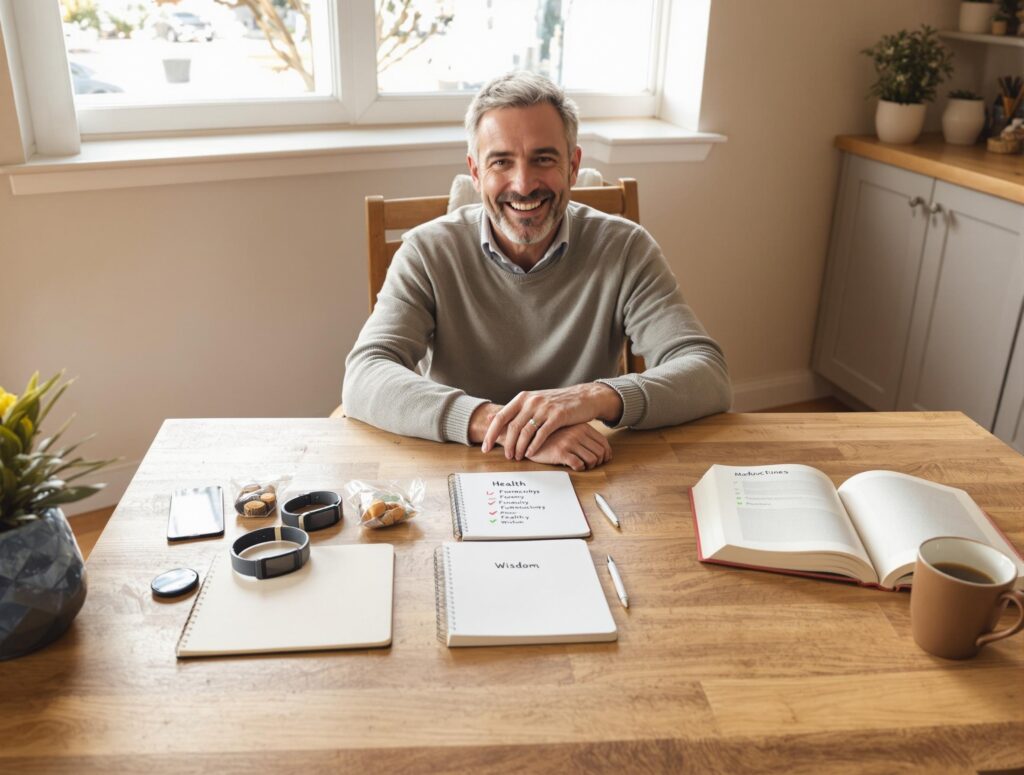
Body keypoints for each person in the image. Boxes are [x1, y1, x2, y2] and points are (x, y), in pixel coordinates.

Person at [343, 71, 731, 471]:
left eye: (543, 159)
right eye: (501, 162)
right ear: (476, 172)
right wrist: (507, 427)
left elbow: (707, 374)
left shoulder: (625, 248)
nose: (524, 184)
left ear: (573, 165)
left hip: (585, 466)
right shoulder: (425, 251)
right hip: (457, 464)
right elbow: (365, 375)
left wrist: (591, 398)